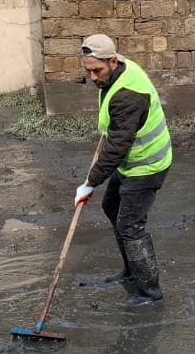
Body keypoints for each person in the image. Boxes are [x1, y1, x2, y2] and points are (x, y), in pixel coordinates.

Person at [74, 33, 173, 305]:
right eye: (88, 71)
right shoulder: (118, 70)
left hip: (147, 164)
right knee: (112, 208)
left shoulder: (128, 96)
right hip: (132, 160)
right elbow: (115, 135)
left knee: (130, 225)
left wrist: (90, 183)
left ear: (113, 61)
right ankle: (132, 273)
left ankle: (150, 292)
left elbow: (116, 148)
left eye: (97, 70)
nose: (93, 77)